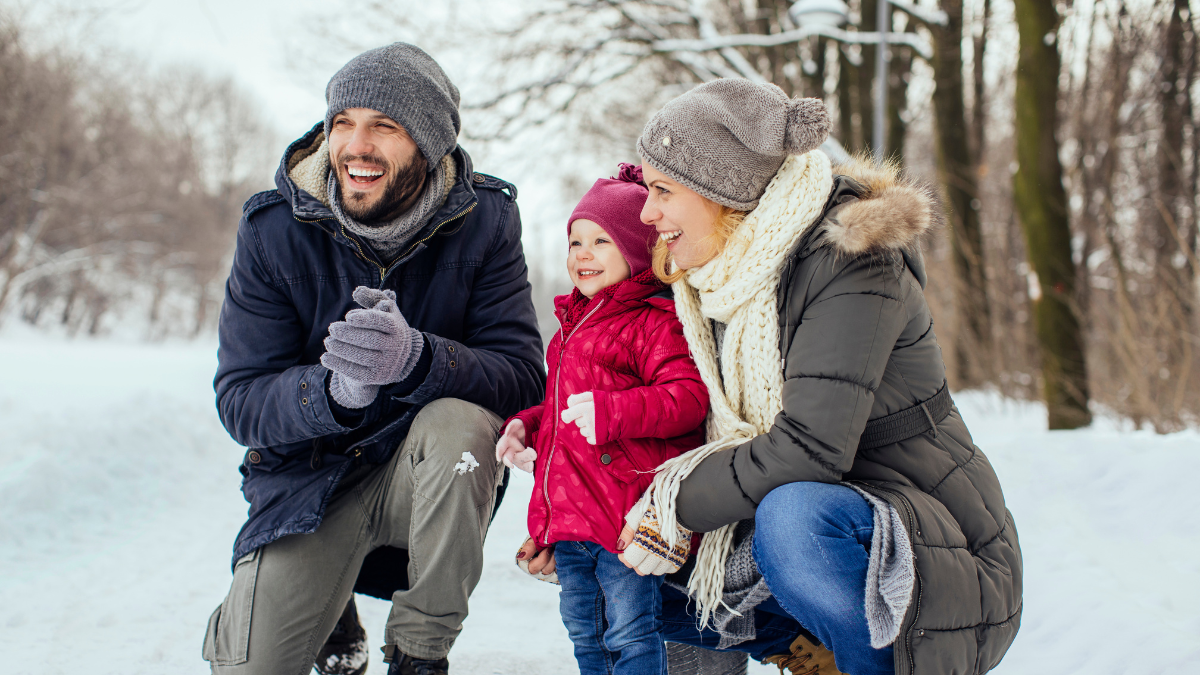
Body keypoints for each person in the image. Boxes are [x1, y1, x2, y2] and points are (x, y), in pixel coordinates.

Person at [522, 79, 1023, 675]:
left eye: (663, 191)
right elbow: (670, 416)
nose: (647, 211)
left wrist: (671, 503)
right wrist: (580, 519)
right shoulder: (710, 278)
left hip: (924, 555)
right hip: (807, 526)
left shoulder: (852, 263)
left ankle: (865, 664)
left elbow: (808, 451)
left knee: (791, 519)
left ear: (722, 192)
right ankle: (807, 653)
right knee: (614, 564)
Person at [203, 43, 545, 675]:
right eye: (343, 123)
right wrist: (333, 393)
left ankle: (420, 652)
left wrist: (420, 361)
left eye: (383, 126)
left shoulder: (487, 221)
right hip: (310, 487)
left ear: (427, 143)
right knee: (251, 667)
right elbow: (240, 400)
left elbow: (522, 377)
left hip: (426, 478)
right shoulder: (272, 230)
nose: (356, 146)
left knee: (461, 425)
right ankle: (330, 611)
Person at [496, 165, 710, 675]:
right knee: (585, 634)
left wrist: (614, 412)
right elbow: (565, 407)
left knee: (632, 633)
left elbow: (687, 399)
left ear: (637, 251)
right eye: (575, 242)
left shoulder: (654, 324)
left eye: (600, 241)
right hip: (571, 521)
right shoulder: (568, 330)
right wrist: (528, 423)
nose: (582, 254)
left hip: (623, 518)